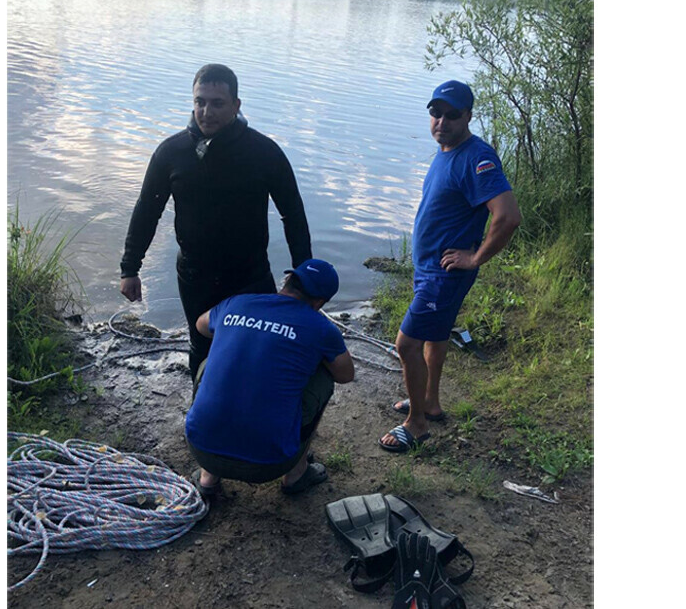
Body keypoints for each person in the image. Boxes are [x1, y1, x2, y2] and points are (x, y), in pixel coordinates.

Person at [119, 64, 313, 379]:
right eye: (200, 101)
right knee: (202, 348)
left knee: (254, 347)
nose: (206, 112)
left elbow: (292, 213)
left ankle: (249, 417)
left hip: (250, 274)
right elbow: (146, 211)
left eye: (217, 103)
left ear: (237, 106)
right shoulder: (172, 152)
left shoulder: (264, 152)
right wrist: (130, 268)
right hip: (196, 275)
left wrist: (305, 275)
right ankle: (202, 418)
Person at [379, 80, 522, 453]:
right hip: (430, 268)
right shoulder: (446, 152)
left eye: (452, 114)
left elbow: (507, 217)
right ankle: (430, 401)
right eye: (435, 113)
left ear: (468, 116)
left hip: (445, 274)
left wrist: (475, 257)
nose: (441, 121)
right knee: (435, 336)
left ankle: (417, 425)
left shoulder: (478, 157)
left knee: (406, 345)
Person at [185, 259, 355, 496]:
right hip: (270, 464)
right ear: (320, 302)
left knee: (209, 364)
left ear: (286, 281)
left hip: (200, 447)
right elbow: (346, 375)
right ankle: (296, 474)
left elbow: (201, 325)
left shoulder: (239, 303)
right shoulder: (321, 327)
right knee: (324, 376)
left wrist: (246, 335)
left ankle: (208, 479)